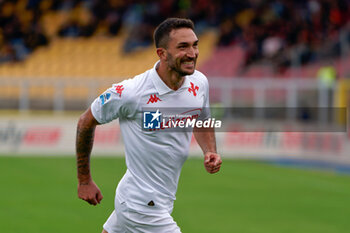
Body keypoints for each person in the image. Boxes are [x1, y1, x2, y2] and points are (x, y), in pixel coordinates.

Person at [75, 18, 222, 233]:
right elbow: (86, 121)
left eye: (195, 44)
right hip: (140, 205)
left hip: (152, 198)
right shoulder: (130, 92)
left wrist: (209, 151)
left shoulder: (199, 83)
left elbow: (201, 118)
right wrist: (84, 179)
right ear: (161, 53)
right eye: (183, 47)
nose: (192, 53)